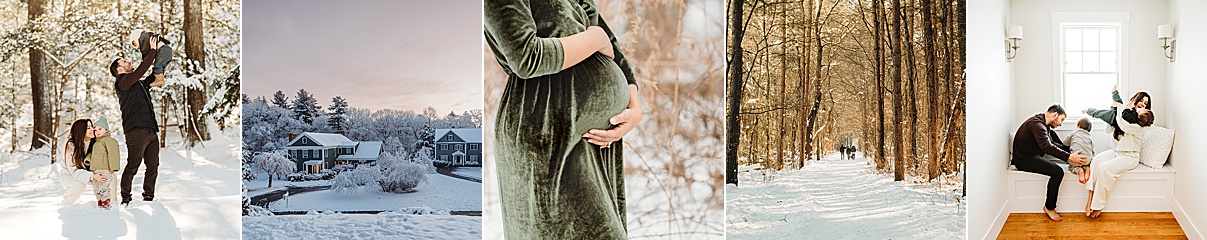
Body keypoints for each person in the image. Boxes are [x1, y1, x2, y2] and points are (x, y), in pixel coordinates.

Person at [485, 0, 643, 238]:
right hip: (547, 133)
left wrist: (634, 104)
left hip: (595, 142)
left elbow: (604, 35)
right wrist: (595, 39)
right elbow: (526, 56)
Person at [1011, 104, 1089, 221]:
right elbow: (1047, 147)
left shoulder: (1043, 123)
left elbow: (1051, 143)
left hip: (1033, 153)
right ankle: (1049, 207)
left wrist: (1069, 151)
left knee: (1051, 135)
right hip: (1024, 160)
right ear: (1055, 115)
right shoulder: (1037, 125)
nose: (1061, 124)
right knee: (1057, 172)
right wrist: (1069, 157)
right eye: (1061, 119)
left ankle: (1069, 152)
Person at [110, 35, 162, 205]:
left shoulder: (137, 83)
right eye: (124, 61)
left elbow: (148, 76)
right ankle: (126, 198)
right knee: (133, 166)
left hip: (150, 129)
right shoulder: (122, 83)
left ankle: (149, 198)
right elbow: (141, 70)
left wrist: (160, 60)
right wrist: (152, 52)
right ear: (119, 69)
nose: (128, 61)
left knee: (153, 166)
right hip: (135, 131)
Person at [1085, 103, 1155, 218]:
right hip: (1116, 151)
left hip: (1129, 157)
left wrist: (1120, 108)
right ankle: (1090, 199)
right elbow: (1110, 129)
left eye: (1144, 107)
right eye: (1140, 104)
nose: (1142, 106)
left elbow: (1123, 126)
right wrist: (1111, 117)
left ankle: (1098, 206)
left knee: (1104, 169)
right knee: (1096, 160)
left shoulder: (1138, 127)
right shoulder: (1127, 117)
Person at [56, 118, 104, 208]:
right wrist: (92, 176)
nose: (92, 129)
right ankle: (65, 206)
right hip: (68, 175)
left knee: (106, 177)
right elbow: (73, 169)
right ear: (81, 131)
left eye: (92, 126)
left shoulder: (95, 143)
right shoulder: (71, 146)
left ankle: (109, 203)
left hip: (86, 174)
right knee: (77, 186)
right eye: (88, 127)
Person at [87, 116, 121, 209]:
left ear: (106, 130)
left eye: (100, 129)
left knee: (104, 187)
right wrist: (88, 161)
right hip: (96, 170)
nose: (97, 131)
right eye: (95, 130)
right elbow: (93, 155)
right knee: (96, 187)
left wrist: (113, 167)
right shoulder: (96, 143)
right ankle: (100, 201)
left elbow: (114, 154)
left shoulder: (109, 140)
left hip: (105, 169)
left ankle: (106, 203)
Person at [1065, 117, 1094, 184]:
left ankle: (1079, 171)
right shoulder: (1089, 136)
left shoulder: (1074, 132)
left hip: (1076, 157)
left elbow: (1065, 143)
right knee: (1085, 164)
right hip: (1087, 158)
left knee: (1072, 167)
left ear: (1078, 125)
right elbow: (1092, 149)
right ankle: (1087, 168)